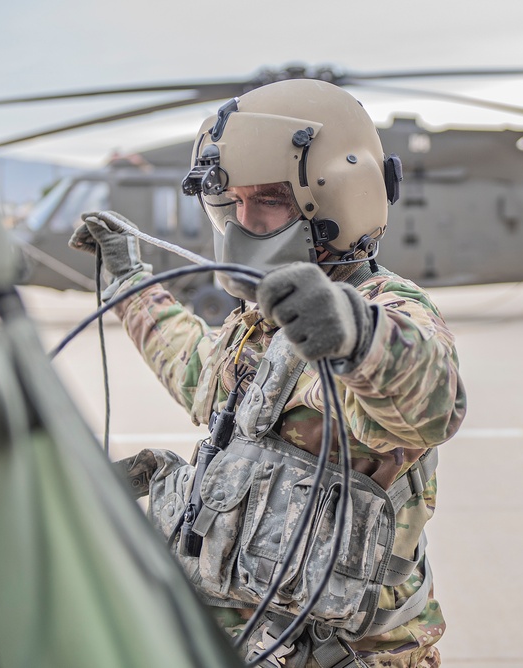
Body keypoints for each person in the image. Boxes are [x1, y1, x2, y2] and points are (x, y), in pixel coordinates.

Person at [70, 79, 466, 668]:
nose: (241, 223)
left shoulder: (388, 310)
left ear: (337, 201)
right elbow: (197, 369)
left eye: (271, 200)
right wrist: (129, 281)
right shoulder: (260, 322)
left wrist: (353, 336)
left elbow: (429, 402)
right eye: (231, 202)